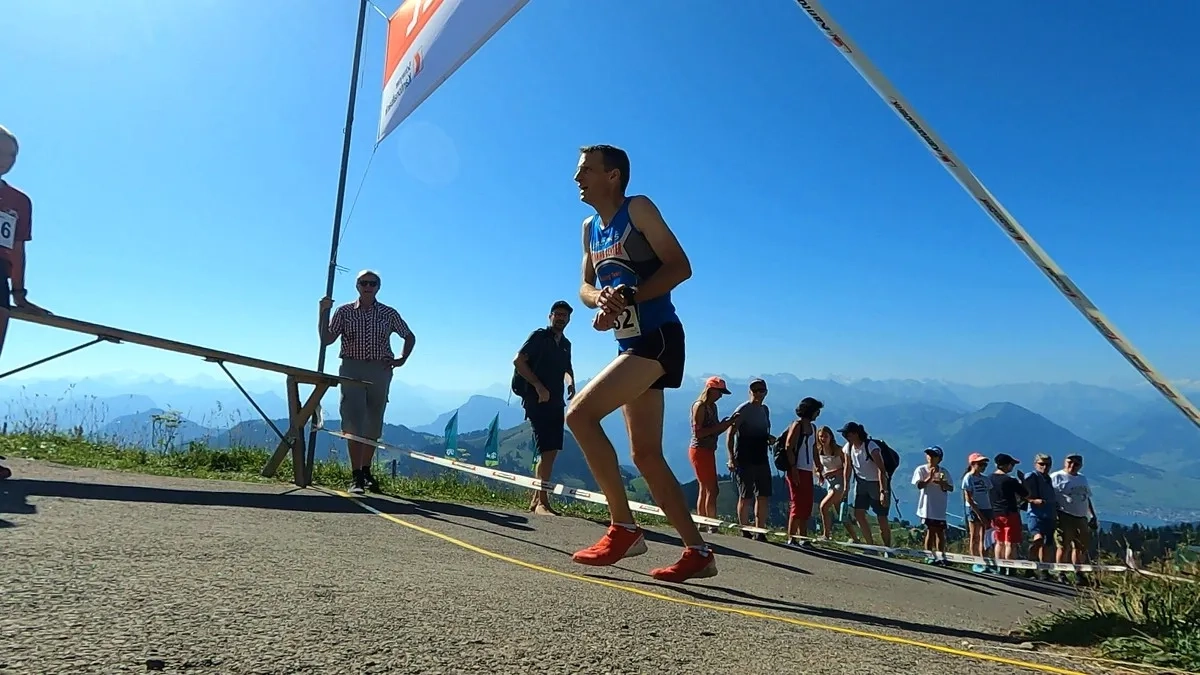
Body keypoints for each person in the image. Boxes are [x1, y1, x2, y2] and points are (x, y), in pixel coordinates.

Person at [565, 144, 716, 582]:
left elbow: (680, 267)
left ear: (612, 176)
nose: (577, 179)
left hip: (658, 338)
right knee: (646, 454)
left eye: (586, 171)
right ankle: (698, 552)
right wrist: (602, 301)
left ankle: (624, 528)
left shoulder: (639, 209)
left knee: (579, 415)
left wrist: (630, 296)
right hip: (629, 343)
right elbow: (584, 287)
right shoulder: (589, 228)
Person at [318, 269, 416, 494]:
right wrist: (322, 312)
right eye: (364, 283)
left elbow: (409, 336)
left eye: (372, 283)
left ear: (378, 287)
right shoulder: (344, 311)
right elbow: (326, 339)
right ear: (357, 286)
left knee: (373, 421)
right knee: (353, 421)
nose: (368, 286)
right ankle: (356, 477)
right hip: (352, 368)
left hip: (379, 370)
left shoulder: (388, 313)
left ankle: (365, 471)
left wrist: (401, 359)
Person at [0, 125, 49, 483]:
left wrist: (20, 294)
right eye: (2, 152)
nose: (8, 160)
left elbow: (17, 249)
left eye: (13, 155)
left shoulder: (19, 201)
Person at [513, 300, 577, 514]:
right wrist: (538, 386)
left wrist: (571, 383)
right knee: (547, 450)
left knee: (551, 452)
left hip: (557, 401)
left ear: (569, 320)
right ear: (550, 316)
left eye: (564, 315)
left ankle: (537, 499)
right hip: (537, 400)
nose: (560, 318)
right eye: (557, 314)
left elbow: (567, 368)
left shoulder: (566, 344)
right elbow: (518, 361)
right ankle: (542, 502)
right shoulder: (539, 337)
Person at [726, 378, 775, 542]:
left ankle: (760, 531)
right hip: (744, 458)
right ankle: (745, 529)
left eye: (761, 390)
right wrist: (731, 458)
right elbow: (730, 433)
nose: (758, 393)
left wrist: (768, 438)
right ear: (750, 392)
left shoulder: (765, 410)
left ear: (766, 392)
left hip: (761, 457)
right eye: (755, 390)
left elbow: (763, 432)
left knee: (763, 495)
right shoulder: (743, 409)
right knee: (746, 495)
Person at [688, 376, 736, 531]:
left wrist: (727, 424)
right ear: (710, 390)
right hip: (699, 450)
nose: (721, 396)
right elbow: (698, 433)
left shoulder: (712, 407)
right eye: (719, 392)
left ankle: (703, 523)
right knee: (712, 489)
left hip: (708, 450)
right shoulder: (700, 406)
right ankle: (711, 523)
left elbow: (714, 431)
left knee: (705, 487)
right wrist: (723, 425)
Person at [839, 422, 891, 547]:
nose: (845, 437)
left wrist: (883, 491)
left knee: (881, 517)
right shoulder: (848, 447)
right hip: (861, 483)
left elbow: (881, 469)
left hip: (876, 484)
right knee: (858, 514)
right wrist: (846, 487)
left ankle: (887, 548)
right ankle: (870, 545)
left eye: (848, 434)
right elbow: (847, 467)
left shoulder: (871, 446)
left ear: (856, 434)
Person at [782, 397, 822, 547]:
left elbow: (814, 448)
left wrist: (818, 466)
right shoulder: (797, 425)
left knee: (807, 504)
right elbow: (789, 446)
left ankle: (803, 537)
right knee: (797, 503)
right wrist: (793, 468)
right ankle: (792, 537)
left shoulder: (813, 428)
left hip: (807, 469)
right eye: (816, 411)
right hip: (797, 469)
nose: (818, 414)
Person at [1052, 453, 1097, 584]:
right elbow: (1051, 497)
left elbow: (1086, 498)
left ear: (1080, 465)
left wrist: (1092, 515)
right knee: (1063, 545)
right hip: (1064, 515)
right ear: (1064, 462)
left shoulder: (1082, 479)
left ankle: (1078, 573)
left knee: (1080, 546)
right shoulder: (1056, 477)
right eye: (1069, 462)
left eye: (1076, 464)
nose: (1072, 466)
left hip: (1081, 516)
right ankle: (1061, 572)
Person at [814, 424, 858, 542]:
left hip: (840, 482)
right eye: (821, 436)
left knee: (823, 507)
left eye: (825, 436)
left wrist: (832, 472)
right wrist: (820, 475)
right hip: (830, 483)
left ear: (830, 437)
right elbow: (817, 467)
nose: (823, 439)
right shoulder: (819, 451)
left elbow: (847, 467)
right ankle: (855, 538)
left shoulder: (839, 450)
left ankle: (826, 535)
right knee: (841, 513)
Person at [911, 446, 952, 565]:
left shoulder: (944, 471)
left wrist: (942, 483)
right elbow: (919, 485)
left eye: (934, 456)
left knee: (940, 532)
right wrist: (930, 477)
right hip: (927, 506)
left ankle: (941, 556)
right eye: (929, 455)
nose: (931, 458)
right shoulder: (921, 469)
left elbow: (950, 487)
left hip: (940, 507)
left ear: (939, 459)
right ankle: (928, 555)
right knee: (931, 530)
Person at [989, 453, 1030, 570]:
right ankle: (1010, 567)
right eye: (1011, 464)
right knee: (1010, 542)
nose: (1012, 467)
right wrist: (1023, 480)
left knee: (999, 541)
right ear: (1006, 465)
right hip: (1010, 513)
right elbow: (1026, 494)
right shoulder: (1010, 480)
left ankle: (1000, 567)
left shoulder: (989, 478)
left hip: (995, 514)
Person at [1022, 452, 1057, 580]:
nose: (1044, 467)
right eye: (1041, 464)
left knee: (1047, 543)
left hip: (1050, 514)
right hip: (1035, 514)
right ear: (1035, 464)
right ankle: (1030, 566)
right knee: (1038, 539)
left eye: (1047, 464)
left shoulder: (1048, 478)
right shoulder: (1031, 476)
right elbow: (1022, 493)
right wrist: (1033, 500)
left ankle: (1044, 570)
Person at [961, 452, 994, 561]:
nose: (983, 467)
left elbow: (989, 494)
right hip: (974, 508)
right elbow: (968, 498)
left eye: (985, 465)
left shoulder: (985, 479)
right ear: (972, 464)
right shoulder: (968, 478)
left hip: (986, 508)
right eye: (980, 464)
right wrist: (979, 514)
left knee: (984, 536)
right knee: (974, 535)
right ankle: (975, 560)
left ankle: (985, 559)